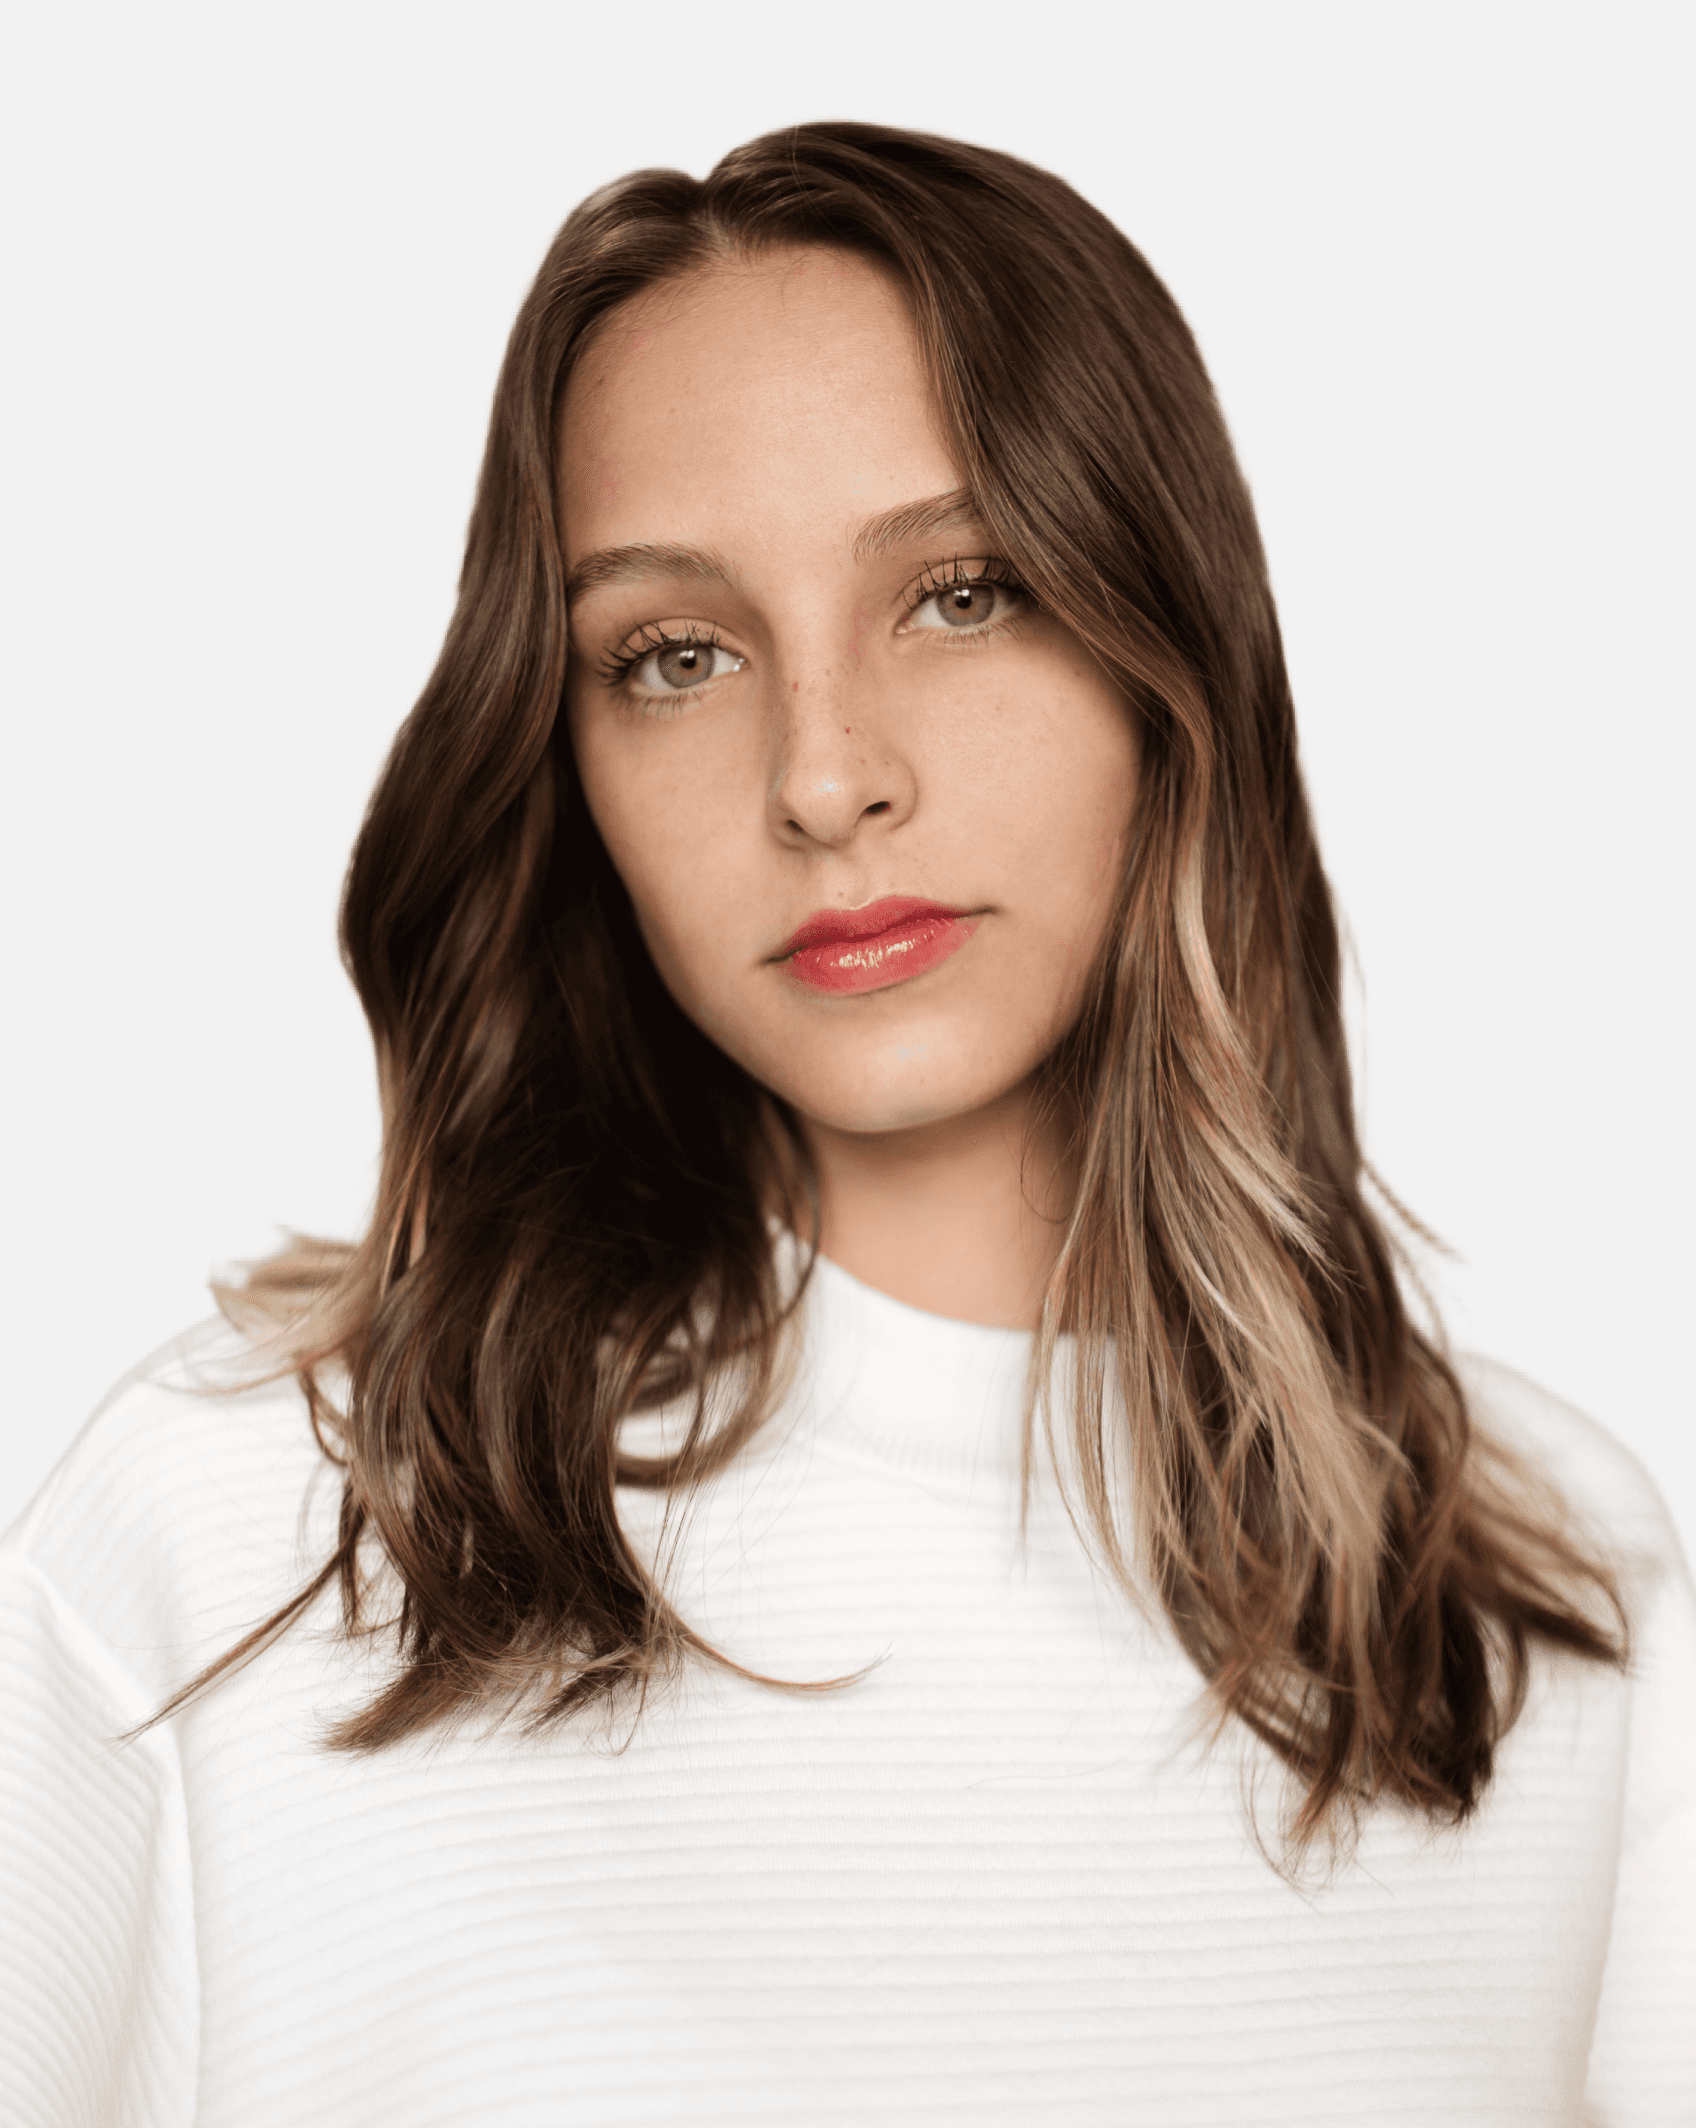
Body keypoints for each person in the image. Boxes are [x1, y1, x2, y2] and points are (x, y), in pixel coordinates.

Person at [3, 121, 1691, 2127]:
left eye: (962, 593)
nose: (821, 777)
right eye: (675, 655)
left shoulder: (1546, 1587)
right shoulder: (241, 1529)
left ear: (1170, 655)